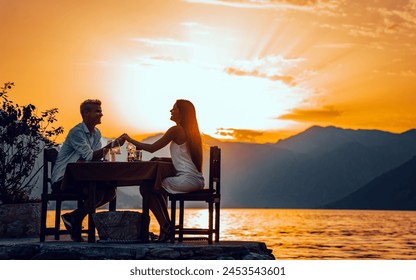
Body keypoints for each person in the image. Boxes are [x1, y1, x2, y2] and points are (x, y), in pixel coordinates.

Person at [122, 99, 205, 242]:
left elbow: (152, 147)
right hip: (196, 180)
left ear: (182, 113)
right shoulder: (191, 132)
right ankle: (167, 227)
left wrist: (129, 139)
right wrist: (160, 159)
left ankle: (166, 227)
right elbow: (182, 160)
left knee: (147, 187)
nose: (171, 111)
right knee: (154, 187)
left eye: (174, 109)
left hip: (186, 180)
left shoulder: (176, 130)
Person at [51, 99, 125, 242]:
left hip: (82, 177)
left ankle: (75, 217)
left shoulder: (96, 133)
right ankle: (76, 220)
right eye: (97, 111)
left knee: (110, 191)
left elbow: (94, 158)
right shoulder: (77, 132)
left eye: (101, 111)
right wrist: (112, 145)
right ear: (86, 113)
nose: (101, 114)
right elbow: (90, 155)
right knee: (96, 190)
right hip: (62, 180)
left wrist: (103, 154)